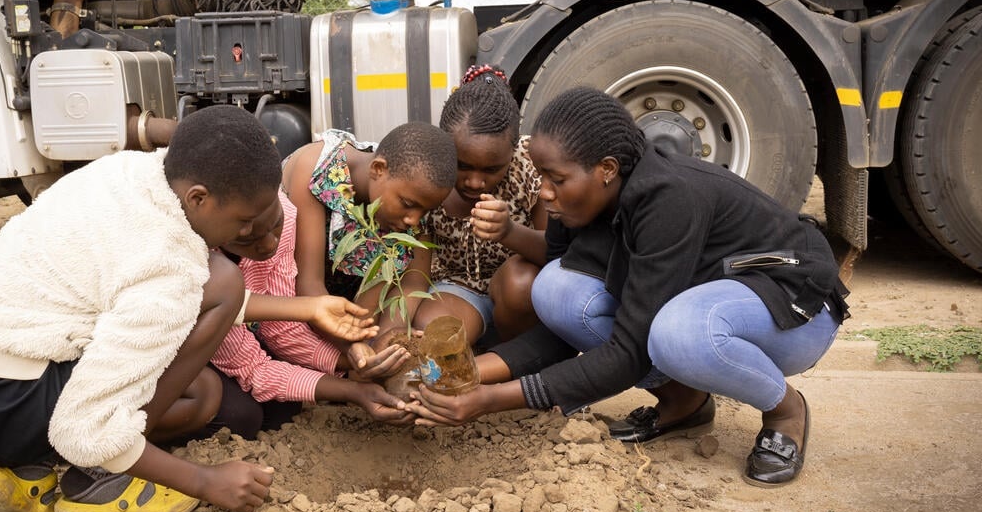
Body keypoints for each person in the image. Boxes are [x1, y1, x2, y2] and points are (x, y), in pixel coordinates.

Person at [408, 87, 849, 488]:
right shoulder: (586, 202)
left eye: (555, 179)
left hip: (790, 306)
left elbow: (629, 352)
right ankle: (684, 403)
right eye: (541, 176)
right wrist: (468, 375)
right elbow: (561, 335)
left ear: (606, 169)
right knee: (556, 290)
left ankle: (785, 410)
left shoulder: (668, 200)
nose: (542, 192)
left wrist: (489, 400)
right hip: (710, 297)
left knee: (678, 333)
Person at [0, 106, 303, 512]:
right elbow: (83, 427)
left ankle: (22, 466)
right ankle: (101, 478)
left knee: (217, 293)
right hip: (2, 408)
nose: (255, 235)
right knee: (204, 379)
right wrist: (204, 481)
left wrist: (304, 307)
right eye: (245, 223)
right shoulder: (168, 265)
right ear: (198, 198)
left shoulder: (130, 173)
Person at [201, 191, 417, 438]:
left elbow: (282, 329)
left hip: (235, 334)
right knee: (241, 418)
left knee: (282, 412)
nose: (270, 244)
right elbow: (254, 369)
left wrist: (354, 358)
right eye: (250, 238)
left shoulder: (280, 212)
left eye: (275, 225)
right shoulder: (205, 265)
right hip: (186, 347)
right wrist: (354, 391)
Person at [281, 121, 456, 349]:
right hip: (292, 297)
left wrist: (388, 336)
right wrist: (353, 347)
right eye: (407, 204)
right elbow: (308, 284)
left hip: (348, 304)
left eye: (426, 211)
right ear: (378, 169)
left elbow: (414, 281)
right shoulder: (317, 171)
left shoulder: (410, 194)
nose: (414, 220)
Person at [415, 65, 547, 345]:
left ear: (513, 151)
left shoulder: (530, 164)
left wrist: (509, 232)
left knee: (520, 284)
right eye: (462, 166)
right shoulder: (429, 171)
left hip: (521, 292)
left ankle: (513, 359)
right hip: (457, 288)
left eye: (491, 169)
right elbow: (416, 272)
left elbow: (557, 253)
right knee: (435, 331)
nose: (475, 182)